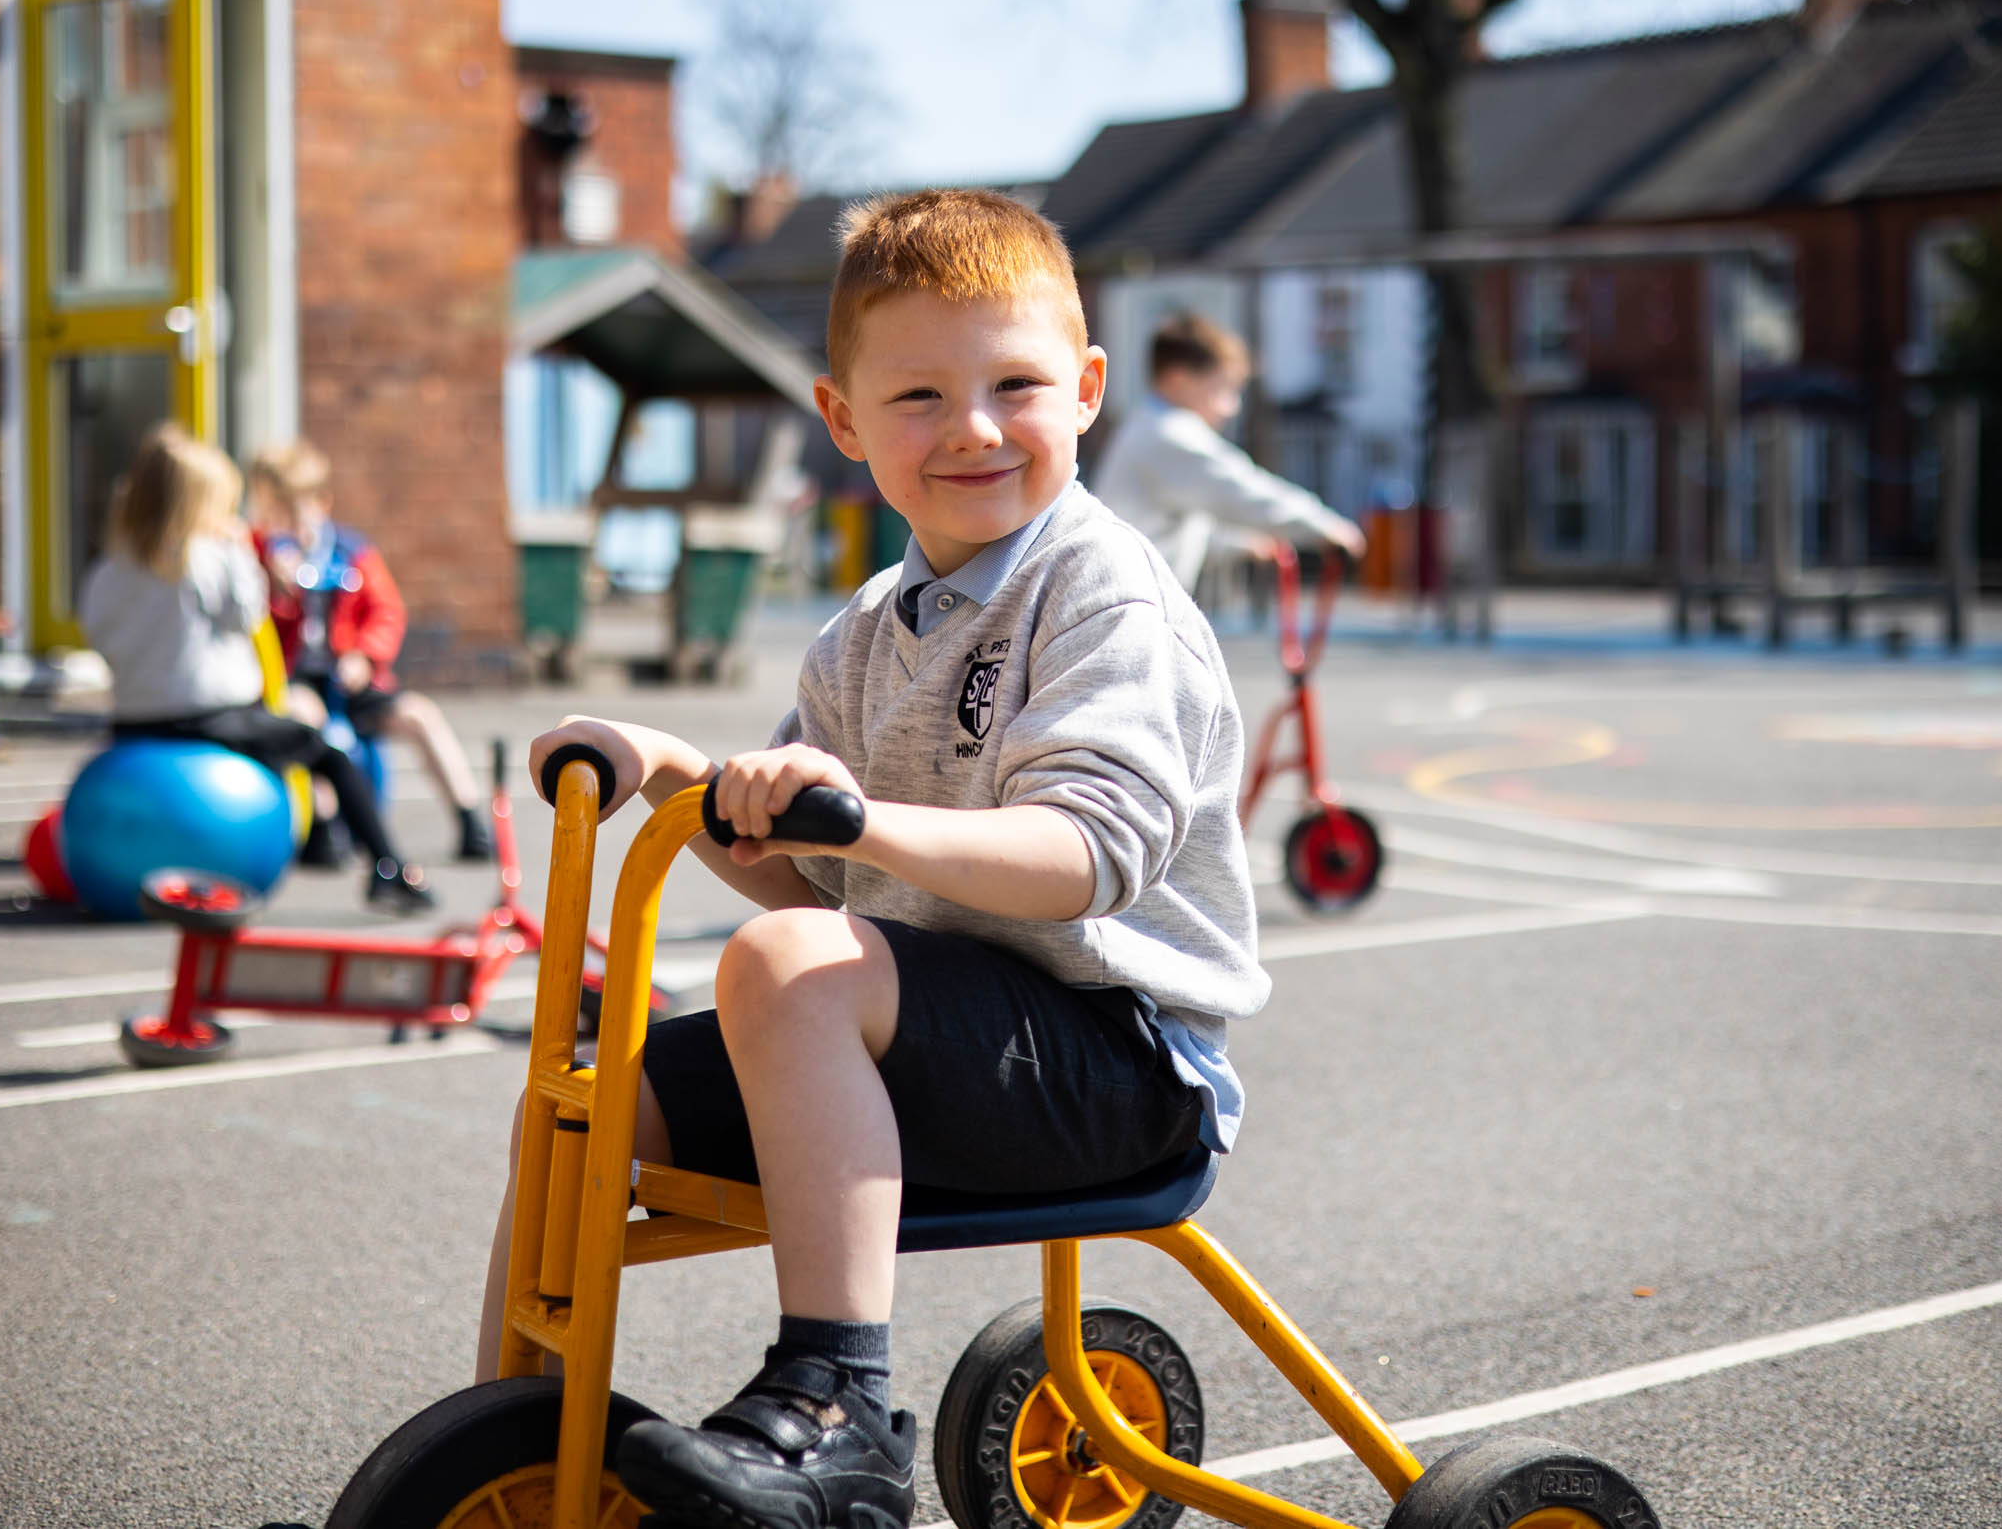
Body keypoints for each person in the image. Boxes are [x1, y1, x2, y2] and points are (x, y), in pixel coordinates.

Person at [487, 189, 1268, 1529]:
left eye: (1015, 383)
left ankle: (838, 1406)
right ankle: (510, 1438)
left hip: (1115, 1056)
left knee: (784, 968)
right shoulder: (862, 634)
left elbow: (1085, 854)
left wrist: (857, 816)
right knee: (586, 1098)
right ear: (843, 421)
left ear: (1084, 391)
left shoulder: (1102, 596)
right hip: (938, 1034)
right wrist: (680, 769)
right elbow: (813, 881)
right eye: (917, 396)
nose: (971, 427)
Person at [77, 424, 436, 915]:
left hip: (133, 725)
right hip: (210, 719)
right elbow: (247, 614)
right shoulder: (210, 556)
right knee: (329, 753)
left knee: (280, 744)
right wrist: (242, 554)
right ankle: (387, 867)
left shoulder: (109, 570)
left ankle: (311, 842)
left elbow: (98, 637)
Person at [245, 439, 493, 865]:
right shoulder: (254, 554)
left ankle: (470, 819)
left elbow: (386, 611)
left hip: (350, 675)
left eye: (292, 512)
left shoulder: (351, 552)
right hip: (294, 675)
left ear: (321, 504)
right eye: (272, 513)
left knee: (420, 716)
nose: (282, 525)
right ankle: (325, 828)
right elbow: (252, 621)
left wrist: (364, 655)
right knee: (305, 720)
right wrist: (272, 585)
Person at [1090, 310, 1366, 592]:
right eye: (1223, 390)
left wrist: (1242, 543)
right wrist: (1325, 527)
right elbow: (1244, 490)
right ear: (1179, 380)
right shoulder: (1170, 434)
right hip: (1128, 602)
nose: (1232, 407)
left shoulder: (1145, 426)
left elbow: (1175, 525)